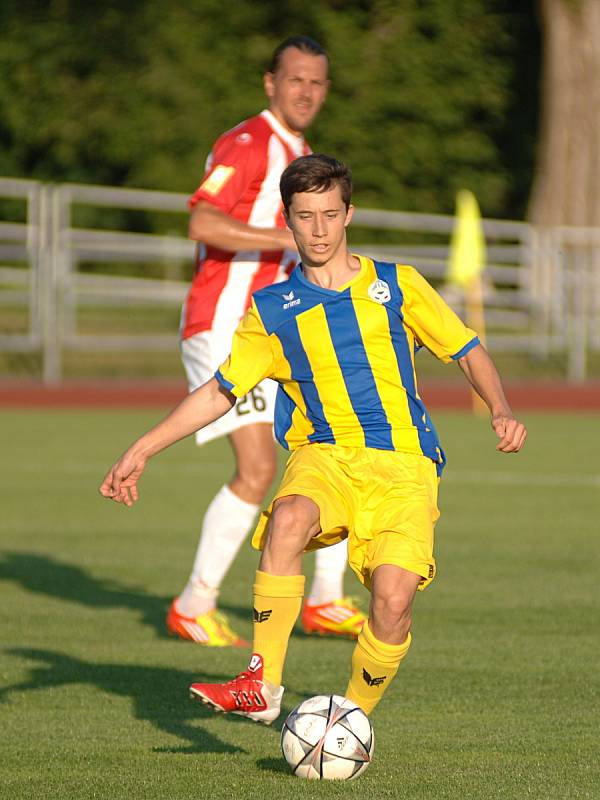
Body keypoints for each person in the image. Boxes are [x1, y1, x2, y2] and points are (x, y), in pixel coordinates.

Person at [100, 154, 527, 724]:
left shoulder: (397, 284)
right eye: (306, 217)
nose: (319, 229)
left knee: (393, 603)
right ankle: (263, 683)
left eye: (330, 214)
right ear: (290, 220)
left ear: (349, 213)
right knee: (289, 514)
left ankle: (351, 717)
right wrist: (141, 449)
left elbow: (467, 349)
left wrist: (500, 408)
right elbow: (219, 392)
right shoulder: (272, 309)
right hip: (324, 456)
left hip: (405, 467)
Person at [171, 36, 365, 647]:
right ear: (270, 83)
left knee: (337, 441)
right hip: (228, 324)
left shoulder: (301, 152)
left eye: (317, 82)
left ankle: (325, 600)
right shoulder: (249, 143)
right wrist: (288, 239)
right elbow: (202, 219)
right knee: (257, 470)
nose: (306, 91)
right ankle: (193, 604)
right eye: (296, 80)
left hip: (277, 326)